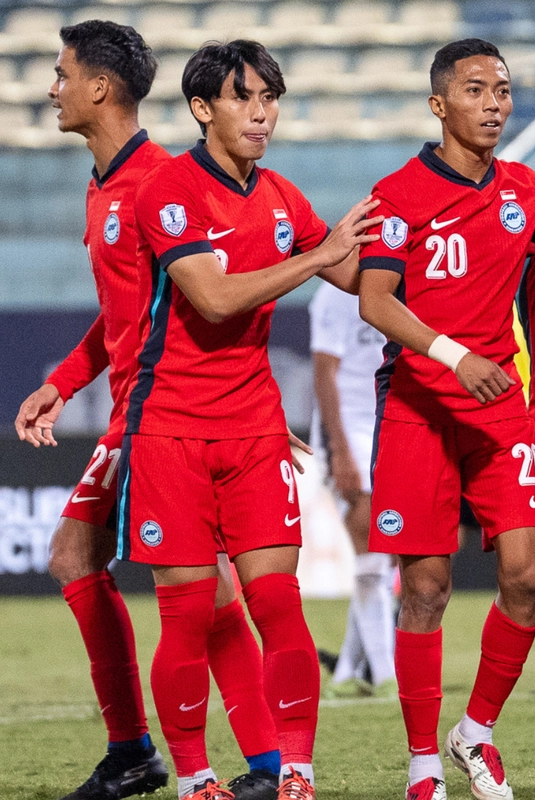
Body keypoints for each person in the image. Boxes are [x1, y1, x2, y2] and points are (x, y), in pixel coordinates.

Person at [14, 22, 283, 800]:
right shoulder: (106, 182)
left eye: (63, 74)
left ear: (100, 88)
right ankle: (147, 751)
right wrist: (65, 378)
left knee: (196, 586)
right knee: (83, 561)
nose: (53, 88)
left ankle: (225, 760)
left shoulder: (160, 184)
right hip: (137, 408)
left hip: (169, 411)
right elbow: (128, 312)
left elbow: (210, 300)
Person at [120, 39, 380, 800]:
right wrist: (318, 256)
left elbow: (362, 276)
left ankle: (296, 771)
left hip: (256, 429)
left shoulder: (282, 197)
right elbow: (217, 297)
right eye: (245, 98)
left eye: (271, 98)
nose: (263, 113)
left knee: (275, 599)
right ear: (203, 108)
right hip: (169, 430)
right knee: (191, 613)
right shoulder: (168, 190)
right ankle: (196, 779)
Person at [357, 37, 535, 800]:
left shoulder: (524, 188)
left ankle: (475, 733)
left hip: (498, 411)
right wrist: (455, 355)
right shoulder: (398, 196)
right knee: (426, 589)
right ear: (439, 104)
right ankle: (424, 764)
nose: (494, 103)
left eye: (503, 90)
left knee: (526, 575)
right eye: (477, 89)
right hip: (420, 408)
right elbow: (376, 300)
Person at [309, 281, 396, 698]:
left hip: (390, 426)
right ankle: (385, 675)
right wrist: (339, 449)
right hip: (350, 429)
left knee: (385, 555)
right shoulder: (335, 296)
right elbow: (324, 371)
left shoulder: (399, 287)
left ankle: (347, 670)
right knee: (370, 544)